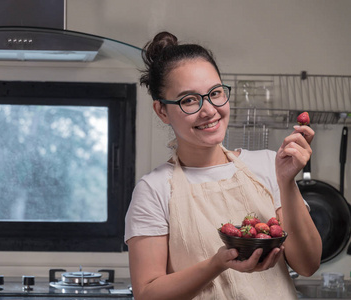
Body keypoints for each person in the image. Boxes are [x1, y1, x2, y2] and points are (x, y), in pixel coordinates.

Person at [124, 31, 322, 300]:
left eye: (215, 93)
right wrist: (216, 264)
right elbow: (147, 293)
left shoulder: (267, 165)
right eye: (189, 100)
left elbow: (308, 265)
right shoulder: (155, 189)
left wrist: (287, 182)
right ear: (162, 111)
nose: (209, 110)